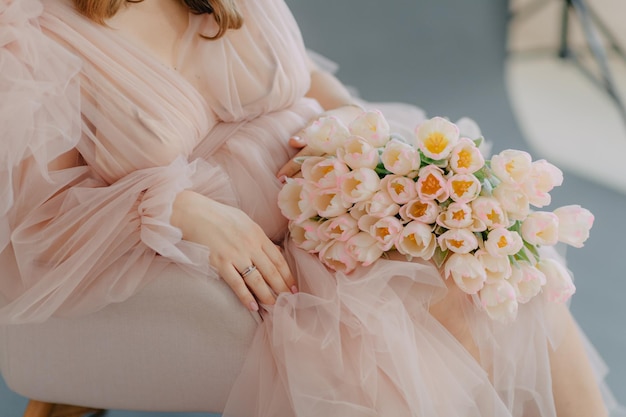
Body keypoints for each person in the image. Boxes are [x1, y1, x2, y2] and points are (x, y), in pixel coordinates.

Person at [0, 0, 617, 415]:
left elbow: (301, 83)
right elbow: (42, 215)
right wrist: (188, 210)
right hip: (183, 234)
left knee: (503, 264)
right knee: (413, 327)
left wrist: (366, 138)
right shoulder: (29, 35)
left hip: (333, 179)